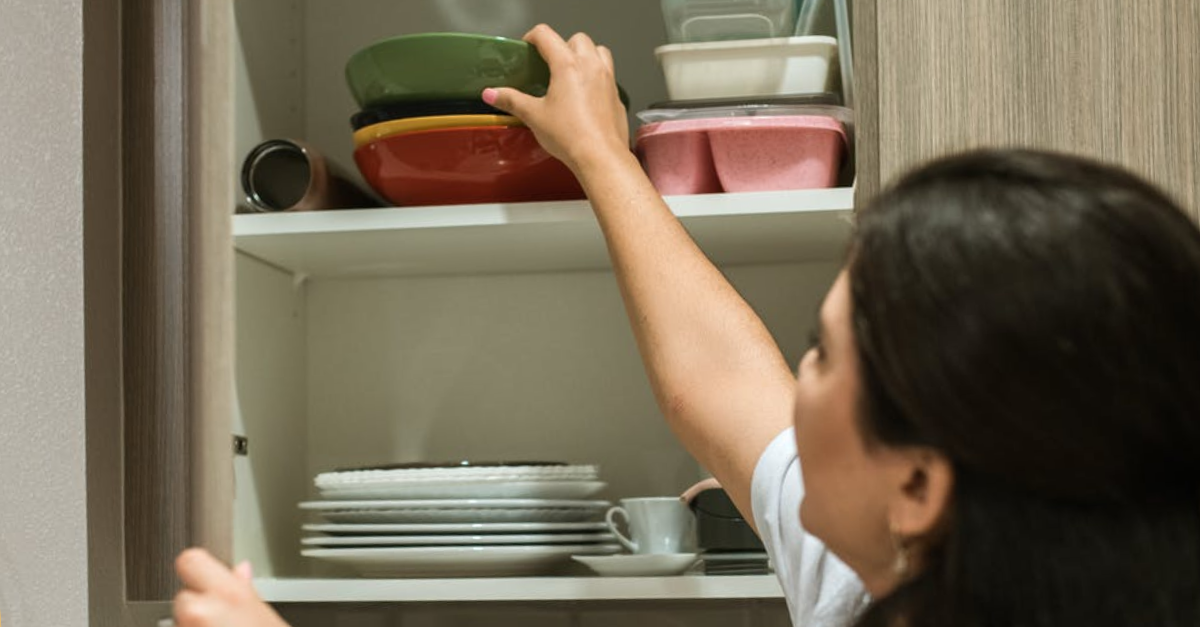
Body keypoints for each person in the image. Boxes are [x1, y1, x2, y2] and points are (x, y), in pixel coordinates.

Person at [172, 24, 1200, 627]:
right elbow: (717, 388)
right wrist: (601, 157)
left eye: (823, 354)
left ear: (921, 486)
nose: (794, 388)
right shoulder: (904, 565)